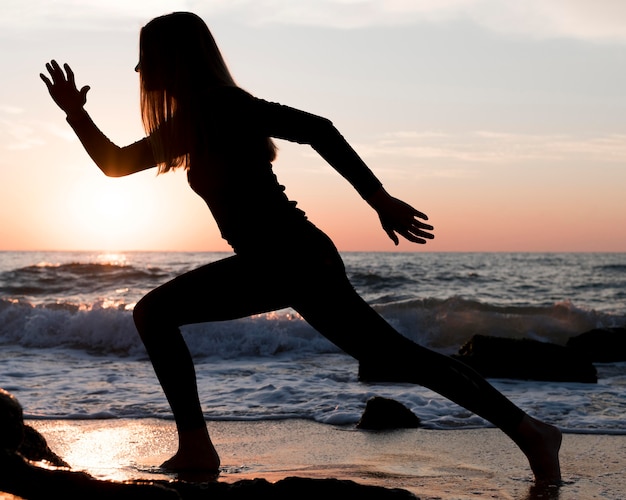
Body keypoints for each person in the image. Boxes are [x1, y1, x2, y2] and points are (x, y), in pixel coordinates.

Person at [40, 11, 561, 484]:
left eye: (144, 58)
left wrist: (378, 198)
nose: (137, 70)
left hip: (287, 256)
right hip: (285, 259)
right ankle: (530, 431)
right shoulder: (194, 120)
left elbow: (319, 129)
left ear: (172, 60)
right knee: (395, 355)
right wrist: (74, 113)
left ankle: (197, 448)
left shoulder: (222, 105)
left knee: (155, 313)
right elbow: (115, 163)